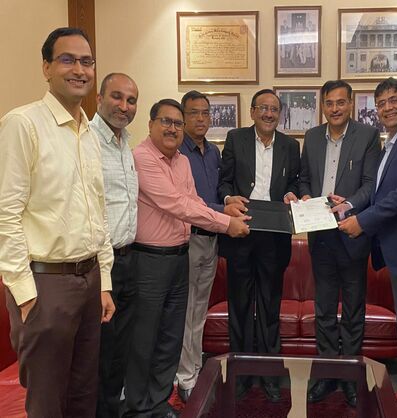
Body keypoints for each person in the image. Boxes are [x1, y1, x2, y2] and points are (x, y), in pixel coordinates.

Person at [0, 27, 115, 417]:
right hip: (45, 284)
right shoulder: (23, 124)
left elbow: (97, 211)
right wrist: (25, 293)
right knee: (48, 403)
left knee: (84, 396)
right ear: (46, 67)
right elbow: (6, 213)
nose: (79, 70)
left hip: (89, 281)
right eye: (68, 60)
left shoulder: (90, 132)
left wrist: (104, 282)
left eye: (87, 61)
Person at [123, 99, 249, 417]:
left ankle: (158, 401)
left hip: (180, 255)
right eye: (166, 121)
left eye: (177, 123)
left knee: (171, 335)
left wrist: (225, 213)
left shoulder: (181, 161)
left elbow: (194, 201)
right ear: (151, 124)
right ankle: (138, 406)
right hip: (150, 260)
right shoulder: (142, 158)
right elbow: (176, 204)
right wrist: (226, 223)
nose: (173, 128)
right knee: (145, 337)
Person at [339, 77, 397, 417]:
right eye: (381, 103)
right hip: (395, 250)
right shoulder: (392, 140)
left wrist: (362, 221)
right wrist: (349, 205)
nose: (388, 108)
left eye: (394, 100)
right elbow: (379, 193)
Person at [300, 79, 380, 407]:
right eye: (329, 103)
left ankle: (350, 376)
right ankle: (326, 374)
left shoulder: (367, 136)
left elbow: (371, 184)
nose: (335, 108)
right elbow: (305, 178)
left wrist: (347, 204)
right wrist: (306, 195)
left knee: (352, 310)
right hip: (320, 234)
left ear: (350, 104)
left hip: (351, 232)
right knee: (323, 309)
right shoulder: (312, 137)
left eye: (340, 102)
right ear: (323, 106)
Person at [218, 89, 300, 402]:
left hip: (275, 237)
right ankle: (240, 374)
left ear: (280, 114)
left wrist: (292, 194)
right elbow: (223, 182)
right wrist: (228, 199)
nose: (268, 114)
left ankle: (269, 375)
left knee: (269, 306)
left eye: (274, 109)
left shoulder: (291, 145)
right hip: (241, 231)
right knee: (239, 306)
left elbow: (294, 182)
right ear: (252, 111)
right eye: (263, 108)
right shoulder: (235, 138)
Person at [175, 90, 245, 402]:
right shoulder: (177, 152)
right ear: (183, 116)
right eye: (194, 113)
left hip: (212, 239)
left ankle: (192, 369)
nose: (201, 118)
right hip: (187, 239)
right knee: (186, 311)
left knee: (199, 310)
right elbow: (188, 204)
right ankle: (184, 377)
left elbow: (217, 192)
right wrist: (223, 211)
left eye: (206, 112)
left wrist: (228, 200)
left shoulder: (214, 151)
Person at [90, 73, 139, 418]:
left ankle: (112, 409)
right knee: (98, 353)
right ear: (99, 98)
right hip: (98, 266)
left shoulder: (125, 145)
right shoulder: (86, 141)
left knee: (120, 350)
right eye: (117, 97)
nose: (124, 106)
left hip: (128, 261)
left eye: (131, 100)